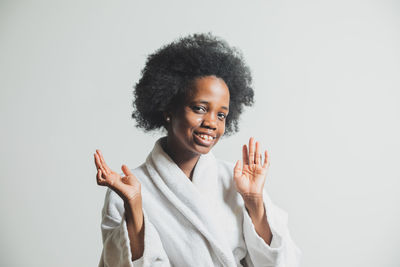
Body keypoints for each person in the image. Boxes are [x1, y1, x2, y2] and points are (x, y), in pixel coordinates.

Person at [94, 33, 301, 267]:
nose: (212, 122)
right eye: (200, 108)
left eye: (221, 114)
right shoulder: (127, 190)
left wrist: (254, 203)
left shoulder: (235, 181)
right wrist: (134, 209)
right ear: (168, 108)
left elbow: (283, 263)